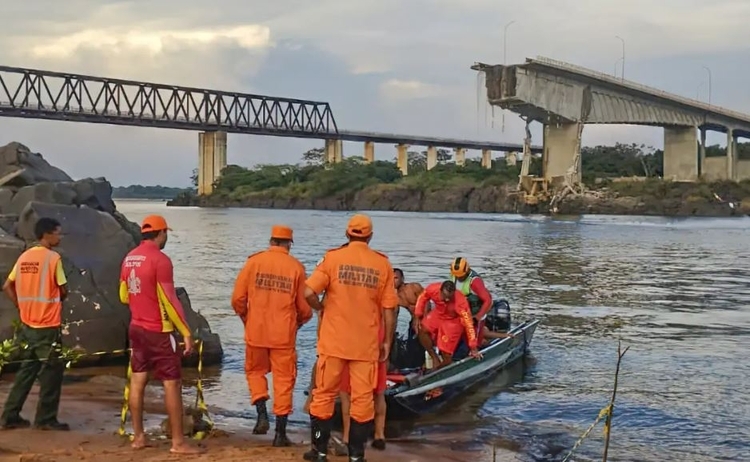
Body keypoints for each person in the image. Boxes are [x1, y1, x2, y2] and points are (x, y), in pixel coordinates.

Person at [304, 214, 399, 462]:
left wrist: (321, 307)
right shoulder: (382, 264)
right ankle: (356, 456)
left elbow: (307, 292)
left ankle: (320, 451)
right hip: (365, 346)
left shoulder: (333, 258)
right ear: (370, 236)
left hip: (333, 343)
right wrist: (387, 341)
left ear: (347, 234)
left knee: (323, 395)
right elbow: (389, 309)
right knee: (362, 400)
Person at [118, 215, 202, 455]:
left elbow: (123, 295)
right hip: (159, 330)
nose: (166, 237)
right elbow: (169, 299)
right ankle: (178, 443)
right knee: (172, 384)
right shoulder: (160, 260)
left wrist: (141, 300)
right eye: (166, 233)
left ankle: (139, 437)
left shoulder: (129, 257)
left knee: (138, 381)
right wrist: (186, 332)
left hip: (136, 328)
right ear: (161, 233)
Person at [231, 225, 312, 446]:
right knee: (284, 381)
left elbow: (237, 299)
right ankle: (280, 434)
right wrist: (298, 323)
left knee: (255, 372)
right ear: (289, 244)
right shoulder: (296, 267)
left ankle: (261, 414)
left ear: (271, 241)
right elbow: (304, 309)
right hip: (283, 335)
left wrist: (248, 319)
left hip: (256, 331)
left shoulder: (253, 263)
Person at [0, 217, 69, 431]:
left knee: (27, 370)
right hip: (47, 324)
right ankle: (46, 419)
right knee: (51, 372)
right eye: (58, 232)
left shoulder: (24, 257)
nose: (60, 236)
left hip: (28, 323)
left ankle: (10, 414)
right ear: (46, 234)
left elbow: (7, 286)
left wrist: (21, 306)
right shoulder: (53, 258)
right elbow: (63, 289)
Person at [413, 280, 481, 370]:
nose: (447, 300)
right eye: (445, 296)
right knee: (422, 328)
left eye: (450, 297)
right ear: (440, 291)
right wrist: (418, 315)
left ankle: (441, 369)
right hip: (439, 313)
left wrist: (473, 347)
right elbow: (423, 297)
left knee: (446, 353)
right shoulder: (433, 289)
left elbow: (469, 324)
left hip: (453, 320)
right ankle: (434, 357)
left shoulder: (460, 302)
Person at [449, 257, 493, 343]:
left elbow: (487, 301)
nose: (459, 278)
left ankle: (482, 340)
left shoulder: (475, 282)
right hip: (461, 313)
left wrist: (478, 317)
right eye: (457, 276)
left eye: (461, 276)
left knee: (475, 341)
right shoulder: (454, 276)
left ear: (467, 271)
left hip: (475, 313)